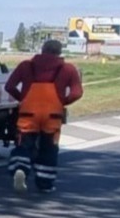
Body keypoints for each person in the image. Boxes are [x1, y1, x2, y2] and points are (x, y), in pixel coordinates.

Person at [5, 39, 84, 193]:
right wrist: (63, 102)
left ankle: (20, 168)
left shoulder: (26, 66)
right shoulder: (68, 69)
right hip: (53, 115)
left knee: (23, 144)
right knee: (49, 149)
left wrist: (23, 98)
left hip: (28, 112)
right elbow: (77, 92)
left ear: (42, 50)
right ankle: (45, 183)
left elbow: (10, 86)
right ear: (60, 52)